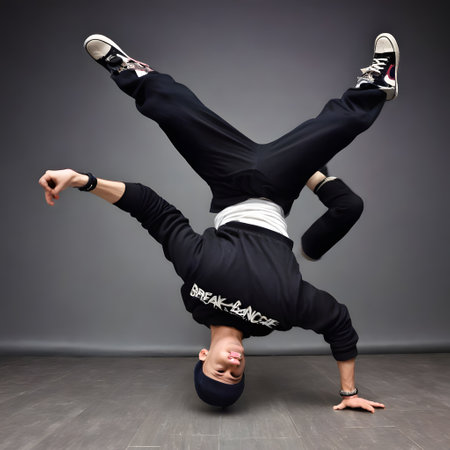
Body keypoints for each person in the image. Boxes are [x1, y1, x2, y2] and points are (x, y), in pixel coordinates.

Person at [39, 32, 399, 411]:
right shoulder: (281, 313)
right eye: (235, 376)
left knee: (176, 113)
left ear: (202, 356)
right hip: (276, 187)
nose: (231, 366)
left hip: (228, 182)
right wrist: (348, 393)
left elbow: (152, 209)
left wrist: (82, 180)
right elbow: (338, 323)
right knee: (339, 127)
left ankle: (130, 72)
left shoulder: (197, 283)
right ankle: (378, 85)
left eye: (218, 371)